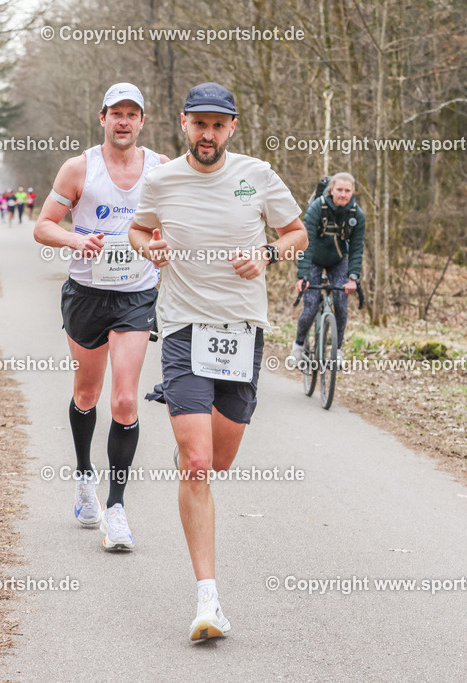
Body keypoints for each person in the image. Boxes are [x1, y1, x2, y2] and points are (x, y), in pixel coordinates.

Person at [129, 82, 308, 642]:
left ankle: (193, 447)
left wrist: (268, 254)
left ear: (232, 127)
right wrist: (148, 247)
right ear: (184, 123)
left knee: (221, 460)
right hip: (183, 329)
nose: (207, 135)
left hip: (240, 331)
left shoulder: (257, 175)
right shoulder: (162, 180)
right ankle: (208, 599)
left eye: (218, 125)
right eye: (199, 124)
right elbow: (138, 229)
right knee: (198, 464)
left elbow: (297, 233)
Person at [33, 83, 170, 551]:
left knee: (126, 401)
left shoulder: (160, 168)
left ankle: (116, 510)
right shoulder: (79, 168)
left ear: (142, 121)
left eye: (132, 114)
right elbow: (43, 226)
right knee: (87, 393)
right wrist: (76, 240)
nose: (124, 121)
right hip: (87, 294)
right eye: (116, 113)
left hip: (135, 295)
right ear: (103, 117)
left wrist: (163, 245)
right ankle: (83, 477)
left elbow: (174, 223)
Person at [289, 172, 365, 364]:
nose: (343, 194)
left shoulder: (357, 214)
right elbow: (306, 242)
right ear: (331, 190)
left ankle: (337, 350)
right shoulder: (317, 207)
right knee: (311, 306)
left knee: (341, 305)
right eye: (339, 189)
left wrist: (353, 277)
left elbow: (356, 248)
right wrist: (303, 276)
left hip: (338, 261)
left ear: (352, 192)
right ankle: (298, 346)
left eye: (347, 190)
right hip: (313, 259)